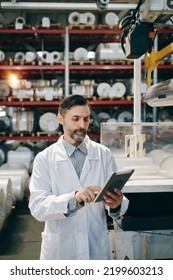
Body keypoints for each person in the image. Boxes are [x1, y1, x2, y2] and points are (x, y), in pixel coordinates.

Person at [29, 94, 129, 260]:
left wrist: (116, 205)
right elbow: (38, 207)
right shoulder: (44, 158)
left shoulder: (103, 154)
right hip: (61, 250)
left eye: (86, 119)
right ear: (61, 119)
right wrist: (74, 199)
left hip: (95, 247)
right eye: (75, 119)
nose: (82, 125)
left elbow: (118, 202)